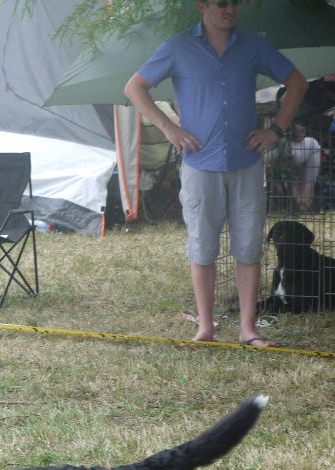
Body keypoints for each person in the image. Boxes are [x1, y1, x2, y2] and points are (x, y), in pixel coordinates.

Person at [124, 0, 307, 348]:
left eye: (235, 3)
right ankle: (205, 326)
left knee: (249, 246)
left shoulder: (252, 44)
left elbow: (297, 82)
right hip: (199, 163)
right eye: (222, 3)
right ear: (202, 5)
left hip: (246, 161)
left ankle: (248, 329)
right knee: (202, 246)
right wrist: (167, 127)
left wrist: (277, 131)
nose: (230, 9)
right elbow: (134, 87)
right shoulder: (177, 46)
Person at [287, 122, 321, 213]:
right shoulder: (310, 141)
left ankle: (303, 205)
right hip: (292, 156)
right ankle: (303, 205)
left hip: (297, 155)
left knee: (303, 179)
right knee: (306, 180)